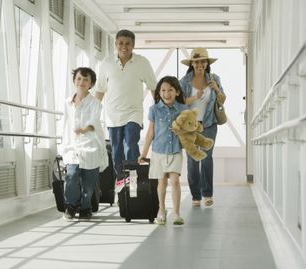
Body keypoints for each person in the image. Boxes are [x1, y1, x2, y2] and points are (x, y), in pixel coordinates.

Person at [94, 29, 156, 177]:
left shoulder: (142, 62)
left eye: (128, 43)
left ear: (133, 45)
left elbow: (154, 87)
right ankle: (121, 183)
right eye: (120, 43)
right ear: (115, 44)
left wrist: (161, 109)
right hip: (113, 116)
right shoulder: (107, 63)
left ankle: (134, 178)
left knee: (130, 143)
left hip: (133, 113)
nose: (124, 46)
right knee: (116, 151)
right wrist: (92, 114)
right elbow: (100, 90)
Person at [179, 48, 226, 207]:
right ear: (192, 63)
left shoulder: (214, 78)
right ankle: (195, 196)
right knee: (193, 160)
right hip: (190, 126)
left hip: (209, 123)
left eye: (203, 61)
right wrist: (194, 97)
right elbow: (179, 103)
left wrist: (216, 88)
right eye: (197, 61)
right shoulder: (184, 81)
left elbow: (222, 99)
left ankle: (207, 194)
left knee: (206, 157)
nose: (200, 64)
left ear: (207, 63)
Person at [138, 76, 187, 225]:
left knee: (175, 181)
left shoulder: (183, 110)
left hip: (175, 150)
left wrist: (181, 132)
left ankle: (177, 213)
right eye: (163, 90)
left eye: (170, 90)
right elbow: (150, 132)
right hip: (158, 151)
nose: (167, 93)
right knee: (161, 182)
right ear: (159, 93)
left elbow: (188, 131)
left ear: (177, 92)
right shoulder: (154, 109)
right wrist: (144, 153)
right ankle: (161, 209)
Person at [61, 67, 108, 220]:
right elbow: (64, 124)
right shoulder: (67, 103)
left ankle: (86, 207)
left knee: (88, 183)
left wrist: (84, 129)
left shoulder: (95, 103)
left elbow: (94, 120)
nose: (82, 82)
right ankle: (71, 205)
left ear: (91, 84)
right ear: (74, 81)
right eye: (79, 79)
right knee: (71, 175)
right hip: (72, 147)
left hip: (91, 146)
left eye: (86, 79)